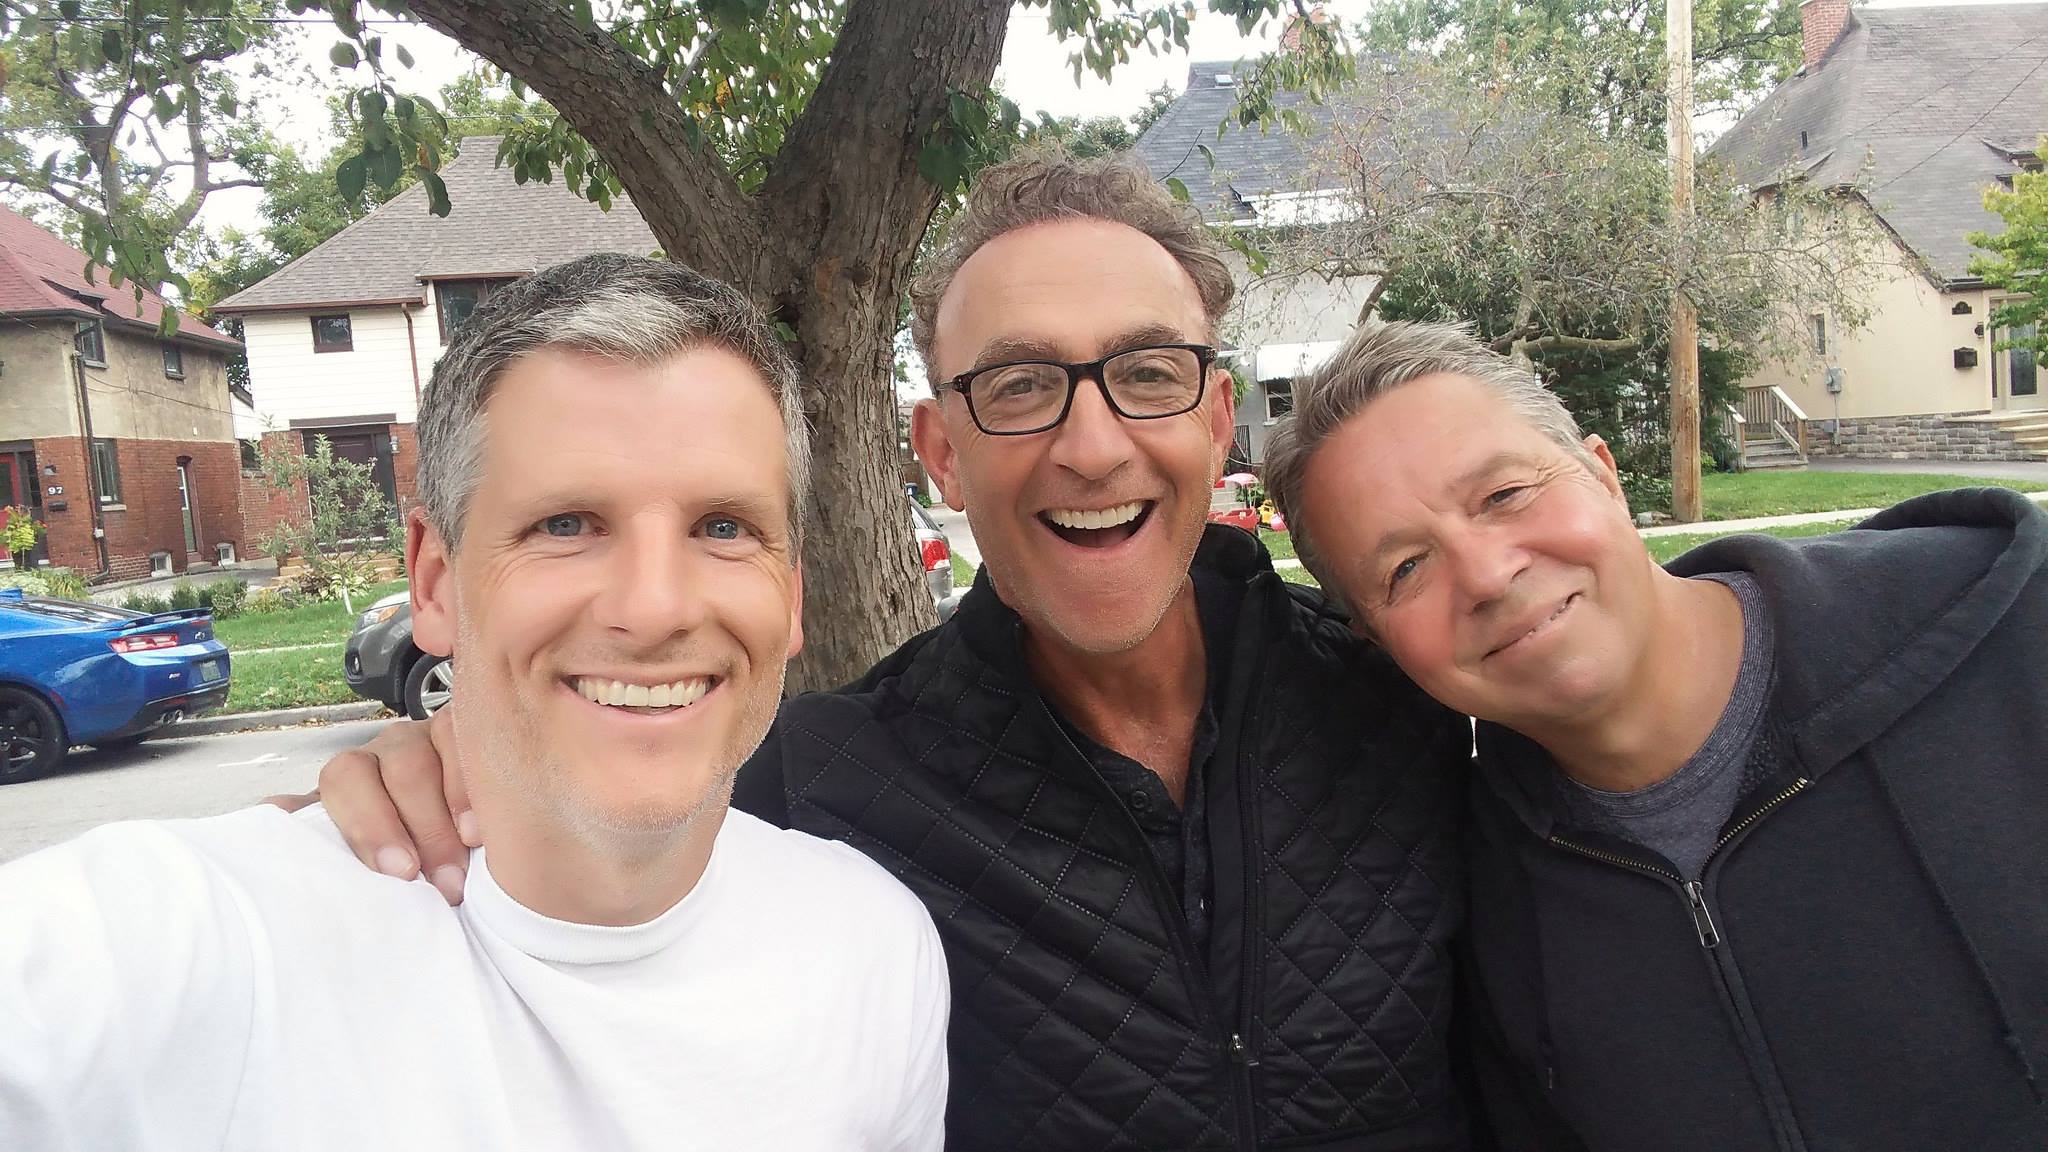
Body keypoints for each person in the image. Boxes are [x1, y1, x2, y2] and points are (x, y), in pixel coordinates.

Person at [297, 153, 1476, 1149]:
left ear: (1216, 421)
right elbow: (585, 836)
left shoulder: (1406, 701)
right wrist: (447, 763)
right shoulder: (823, 780)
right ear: (940, 451)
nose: (1091, 444)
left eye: (1147, 375)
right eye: (1019, 385)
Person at [0, 254, 949, 1151]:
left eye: (725, 527)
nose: (656, 606)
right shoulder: (179, 948)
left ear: (791, 595)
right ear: (435, 582)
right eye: (566, 524)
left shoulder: (874, 946)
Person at [1262, 319, 2048, 1152]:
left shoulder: (2013, 643)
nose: (1488, 576)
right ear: (1377, 642)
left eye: (1505, 495)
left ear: (1604, 477)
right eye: (1405, 569)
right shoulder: (1471, 890)